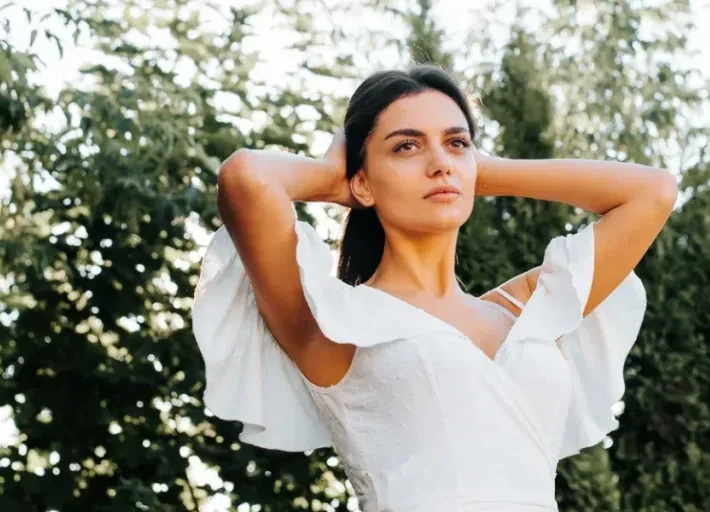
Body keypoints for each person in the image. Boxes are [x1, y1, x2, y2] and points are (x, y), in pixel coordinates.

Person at [191, 65, 677, 511]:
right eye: (406, 146)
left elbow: (653, 192)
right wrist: (330, 178)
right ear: (360, 182)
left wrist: (473, 170)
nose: (440, 162)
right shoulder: (336, 323)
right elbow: (245, 178)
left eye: (457, 143)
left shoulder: (523, 309)